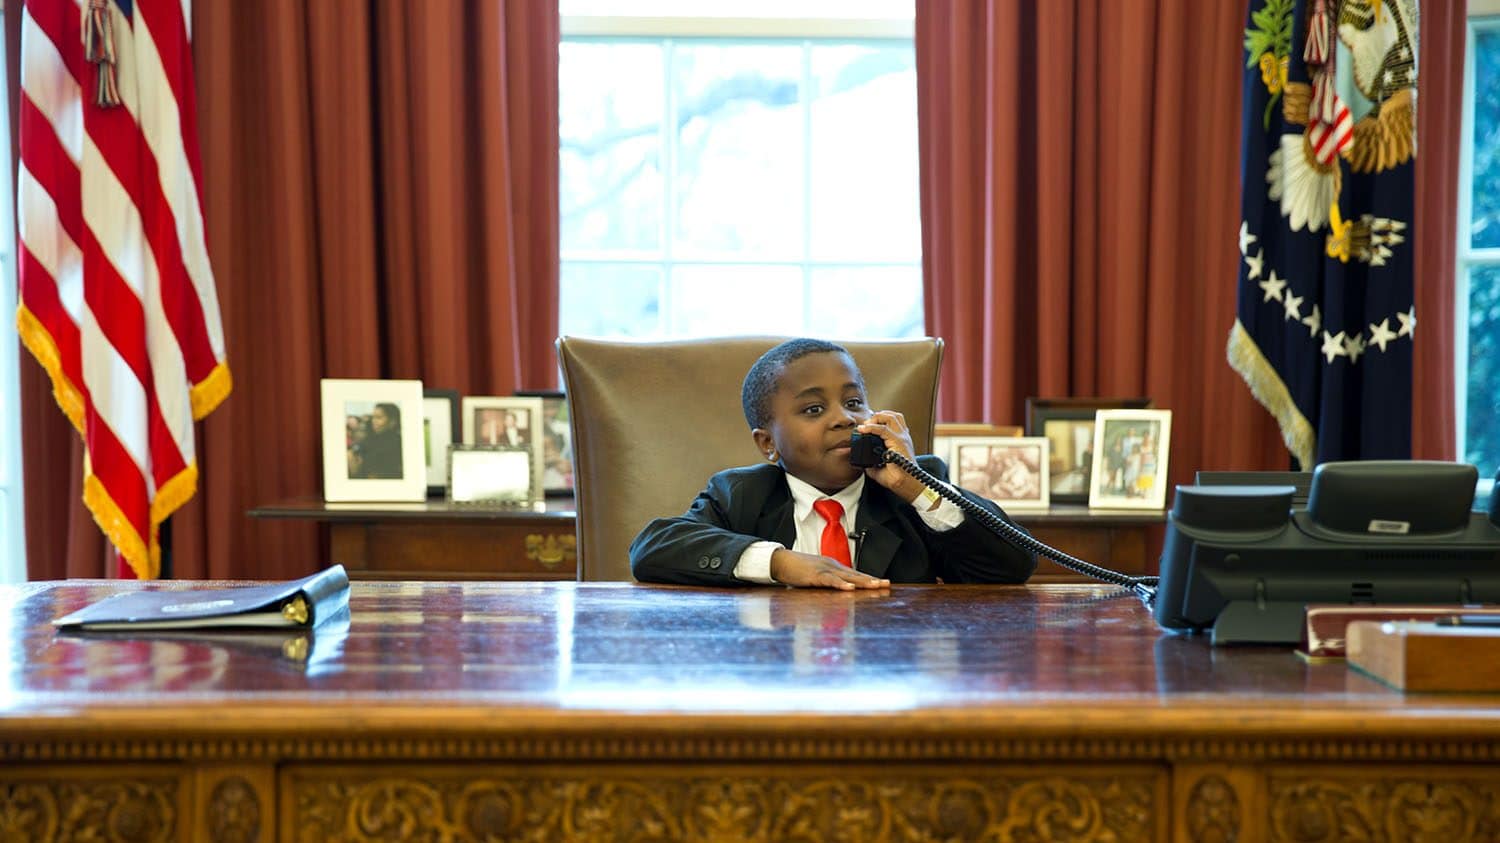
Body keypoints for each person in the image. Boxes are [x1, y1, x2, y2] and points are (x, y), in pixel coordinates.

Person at [629, 339, 1038, 589]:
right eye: (813, 409)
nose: (845, 418)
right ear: (768, 443)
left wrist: (915, 487)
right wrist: (779, 562)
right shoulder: (741, 495)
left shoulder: (914, 491)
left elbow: (1013, 565)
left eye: (855, 402)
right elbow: (652, 547)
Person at [356, 402, 403, 479]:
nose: (373, 421)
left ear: (392, 421)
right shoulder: (371, 438)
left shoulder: (397, 443)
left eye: (379, 417)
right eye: (373, 417)